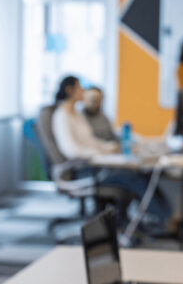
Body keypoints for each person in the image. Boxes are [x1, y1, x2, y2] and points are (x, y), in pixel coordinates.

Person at [51, 76, 171, 224]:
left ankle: (160, 217)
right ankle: (164, 220)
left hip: (96, 163)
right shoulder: (61, 116)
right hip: (82, 169)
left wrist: (110, 148)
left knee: (141, 173)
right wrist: (99, 154)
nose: (83, 91)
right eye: (79, 88)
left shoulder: (77, 114)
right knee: (131, 177)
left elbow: (92, 142)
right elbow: (71, 150)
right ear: (70, 90)